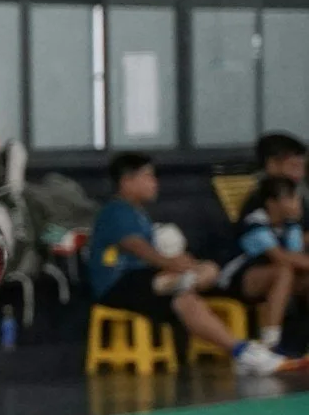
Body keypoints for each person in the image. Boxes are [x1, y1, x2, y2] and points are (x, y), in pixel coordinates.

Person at [89, 152, 280, 374]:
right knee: (186, 287)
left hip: (144, 282)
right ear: (127, 181)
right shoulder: (116, 211)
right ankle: (186, 285)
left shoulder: (138, 213)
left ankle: (241, 351)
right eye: (148, 176)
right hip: (117, 284)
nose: (154, 183)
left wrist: (185, 263)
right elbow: (136, 246)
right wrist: (170, 264)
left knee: (187, 297)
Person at [216, 175, 307, 349]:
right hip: (238, 280)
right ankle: (270, 342)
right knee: (283, 271)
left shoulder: (291, 226)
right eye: (290, 198)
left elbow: (297, 259)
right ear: (271, 203)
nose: (297, 203)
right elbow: (280, 257)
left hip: (273, 281)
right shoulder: (255, 223)